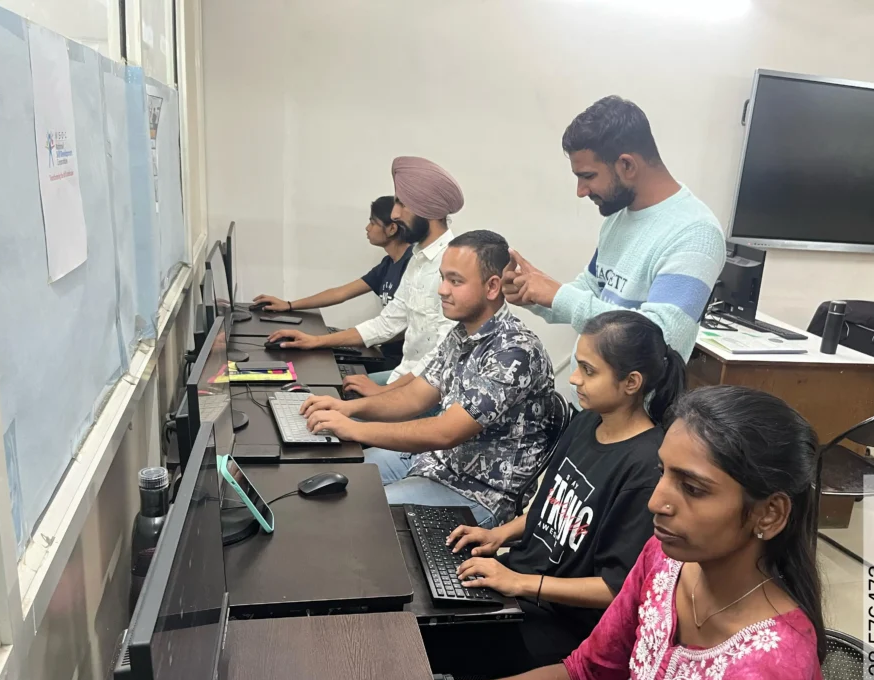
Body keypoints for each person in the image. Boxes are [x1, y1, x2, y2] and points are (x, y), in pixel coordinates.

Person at [346, 385, 826, 680]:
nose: (657, 501)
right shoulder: (664, 562)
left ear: (769, 514)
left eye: (693, 488)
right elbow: (585, 675)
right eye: (663, 473)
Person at [425, 311, 686, 679]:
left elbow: (618, 589)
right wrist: (499, 535)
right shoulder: (586, 422)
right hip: (522, 588)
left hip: (564, 622)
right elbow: (549, 506)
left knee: (427, 644)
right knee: (422, 602)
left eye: (588, 370)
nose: (574, 378)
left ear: (631, 382)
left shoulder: (646, 468)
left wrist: (519, 583)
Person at [300, 230, 555, 529]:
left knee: (355, 512)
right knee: (331, 479)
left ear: (492, 287)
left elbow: (445, 432)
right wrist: (348, 410)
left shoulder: (514, 352)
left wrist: (355, 429)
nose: (442, 290)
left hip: (476, 491)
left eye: (455, 281)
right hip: (436, 462)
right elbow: (415, 397)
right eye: (443, 278)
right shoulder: (461, 334)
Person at [502, 96, 726, 360]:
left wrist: (560, 295)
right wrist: (535, 293)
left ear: (627, 165)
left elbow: (658, 338)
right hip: (588, 399)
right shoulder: (618, 217)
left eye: (588, 176)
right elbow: (592, 288)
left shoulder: (696, 233)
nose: (580, 191)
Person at [268, 157, 463, 394]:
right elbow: (387, 323)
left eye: (402, 204)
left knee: (334, 406)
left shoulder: (454, 265)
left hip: (428, 391)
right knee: (326, 393)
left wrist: (382, 394)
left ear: (427, 208)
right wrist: (314, 341)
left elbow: (440, 358)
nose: (395, 214)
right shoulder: (418, 258)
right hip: (404, 377)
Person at [252, 195, 412, 364]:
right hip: (383, 351)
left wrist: (320, 340)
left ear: (392, 229)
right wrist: (289, 304)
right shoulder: (389, 264)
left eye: (373, 222)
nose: (367, 228)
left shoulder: (412, 266)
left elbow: (399, 328)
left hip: (399, 362)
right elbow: (340, 293)